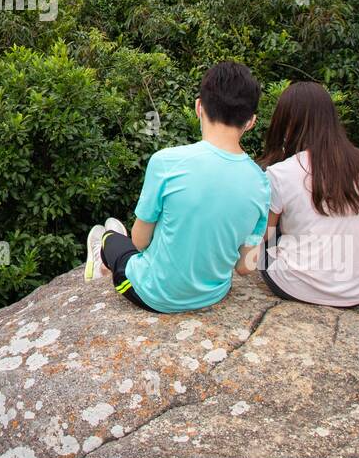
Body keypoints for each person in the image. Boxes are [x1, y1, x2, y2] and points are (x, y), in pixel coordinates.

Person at [84, 61, 269, 313]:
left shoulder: (167, 162)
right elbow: (246, 266)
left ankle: (101, 251)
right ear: (251, 121)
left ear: (198, 107)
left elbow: (139, 241)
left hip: (152, 294)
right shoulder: (261, 183)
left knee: (107, 237)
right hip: (214, 294)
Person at [246, 81, 359, 308]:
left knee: (265, 230)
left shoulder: (281, 173)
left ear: (286, 124)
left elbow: (261, 235)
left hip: (297, 285)